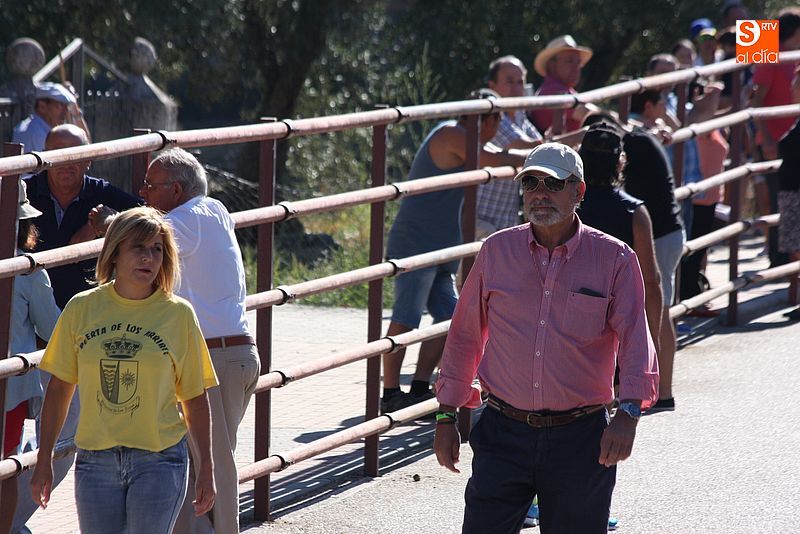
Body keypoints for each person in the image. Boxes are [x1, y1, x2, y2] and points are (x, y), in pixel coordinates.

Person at [433, 143, 658, 533]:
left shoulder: (615, 259)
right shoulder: (496, 251)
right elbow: (465, 334)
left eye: (553, 184)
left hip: (581, 439)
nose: (539, 193)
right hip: (502, 432)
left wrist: (629, 415)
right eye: (531, 183)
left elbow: (636, 340)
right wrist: (446, 415)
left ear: (578, 191)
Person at [29, 207, 218, 534]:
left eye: (156, 249)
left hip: (159, 461)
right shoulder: (81, 308)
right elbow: (59, 390)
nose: (148, 258)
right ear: (114, 252)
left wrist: (207, 469)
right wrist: (44, 459)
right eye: (138, 247)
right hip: (95, 461)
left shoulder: (179, 315)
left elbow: (195, 398)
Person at [382, 88, 526, 413]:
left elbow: (498, 153)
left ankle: (420, 386)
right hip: (417, 242)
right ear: (485, 120)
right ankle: (389, 392)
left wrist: (539, 151)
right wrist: (534, 158)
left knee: (451, 317)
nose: (496, 131)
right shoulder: (451, 134)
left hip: (442, 244)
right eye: (496, 122)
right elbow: (492, 158)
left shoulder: (465, 137)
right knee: (406, 317)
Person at [140, 148, 261, 534]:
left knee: (214, 463)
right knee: (193, 462)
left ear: (176, 190)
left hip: (214, 358)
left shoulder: (186, 220)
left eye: (150, 185)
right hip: (226, 355)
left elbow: (139, 237)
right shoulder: (215, 211)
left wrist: (109, 221)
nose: (143, 193)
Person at [24, 124, 141, 309]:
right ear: (45, 157)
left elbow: (152, 220)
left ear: (89, 160)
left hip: (86, 308)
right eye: (58, 152)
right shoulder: (23, 192)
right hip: (28, 305)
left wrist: (106, 224)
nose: (66, 161)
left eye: (75, 153)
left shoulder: (102, 193)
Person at [1, 181, 61, 534]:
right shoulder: (29, 270)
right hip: (10, 391)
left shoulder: (28, 270)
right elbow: (52, 327)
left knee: (8, 465)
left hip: (10, 389)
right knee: (7, 466)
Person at [576, 121, 663, 353]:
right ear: (620, 162)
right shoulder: (634, 212)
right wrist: (652, 341)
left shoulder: (566, 208)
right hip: (618, 320)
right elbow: (651, 281)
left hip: (569, 321)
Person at [628, 91, 687, 411]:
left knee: (660, 313)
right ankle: (662, 392)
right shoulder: (642, 138)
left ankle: (662, 393)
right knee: (662, 311)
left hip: (660, 235)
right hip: (668, 233)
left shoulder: (633, 143)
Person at [750, 9, 800, 268]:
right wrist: (767, 139)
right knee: (778, 199)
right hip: (776, 141)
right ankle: (779, 260)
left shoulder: (792, 55)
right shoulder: (770, 56)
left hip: (793, 137)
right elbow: (756, 100)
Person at [478, 55, 543, 237]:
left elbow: (539, 145)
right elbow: (531, 146)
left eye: (520, 82)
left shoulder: (518, 113)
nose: (516, 88)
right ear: (492, 86)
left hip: (504, 220)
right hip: (481, 220)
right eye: (509, 82)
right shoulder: (491, 116)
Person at [529, 35, 596, 133]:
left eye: (578, 62)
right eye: (570, 61)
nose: (576, 68)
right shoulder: (552, 90)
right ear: (552, 65)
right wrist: (614, 119)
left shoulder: (564, 89)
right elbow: (589, 114)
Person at [12, 82, 78, 154]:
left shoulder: (32, 127)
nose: (66, 111)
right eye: (60, 106)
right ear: (42, 106)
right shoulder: (38, 134)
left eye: (67, 107)